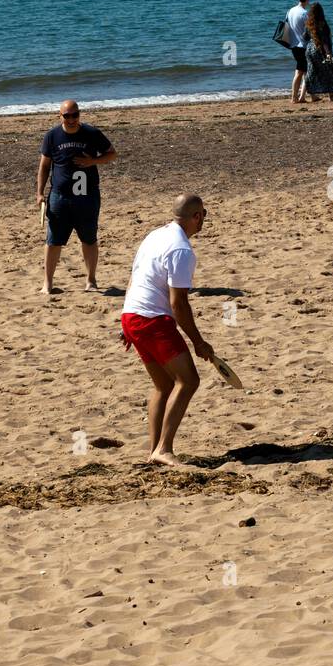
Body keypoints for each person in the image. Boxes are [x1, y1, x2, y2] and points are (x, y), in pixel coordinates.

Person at [120, 193, 214, 467]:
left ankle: (153, 452)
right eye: (204, 215)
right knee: (188, 381)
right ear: (196, 216)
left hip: (132, 315)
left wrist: (127, 319)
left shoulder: (155, 235)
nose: (204, 220)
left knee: (163, 385)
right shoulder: (181, 250)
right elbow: (179, 304)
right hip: (151, 320)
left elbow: (135, 276)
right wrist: (198, 342)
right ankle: (164, 448)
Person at [37, 100, 117, 293]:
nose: (72, 119)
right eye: (67, 116)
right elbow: (45, 166)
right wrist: (39, 193)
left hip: (87, 196)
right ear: (60, 116)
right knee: (54, 240)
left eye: (75, 115)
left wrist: (93, 161)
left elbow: (112, 154)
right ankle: (47, 283)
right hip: (60, 197)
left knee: (89, 239)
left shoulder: (92, 133)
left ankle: (91, 280)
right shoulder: (52, 136)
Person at [304, 2, 333, 103]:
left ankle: (312, 95)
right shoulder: (322, 23)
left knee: (312, 72)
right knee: (330, 71)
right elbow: (324, 41)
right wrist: (328, 54)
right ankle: (331, 96)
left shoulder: (308, 23)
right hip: (321, 51)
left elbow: (305, 38)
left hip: (309, 51)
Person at [285, 0, 312, 104]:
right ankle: (296, 98)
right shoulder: (304, 14)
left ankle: (310, 96)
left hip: (293, 45)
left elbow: (287, 26)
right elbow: (310, 30)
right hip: (303, 46)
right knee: (301, 72)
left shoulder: (290, 11)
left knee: (304, 71)